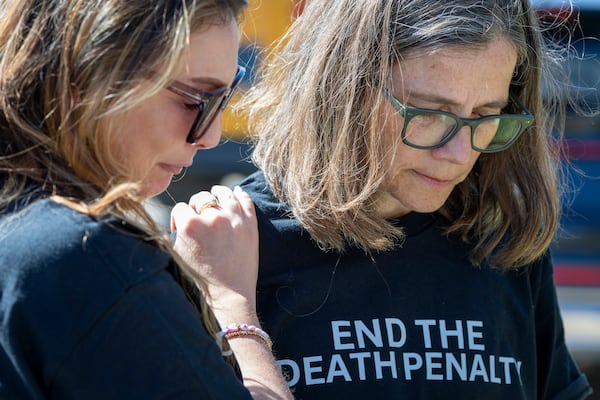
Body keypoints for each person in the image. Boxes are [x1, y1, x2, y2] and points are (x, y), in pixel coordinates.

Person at [237, 0, 594, 398]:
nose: (459, 154)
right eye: (428, 112)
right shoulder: (233, 246)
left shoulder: (500, 237)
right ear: (342, 88)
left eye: (486, 114)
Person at [0, 0, 292, 399]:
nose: (210, 136)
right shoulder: (86, 256)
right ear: (90, 72)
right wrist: (231, 302)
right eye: (194, 100)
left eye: (223, 100)